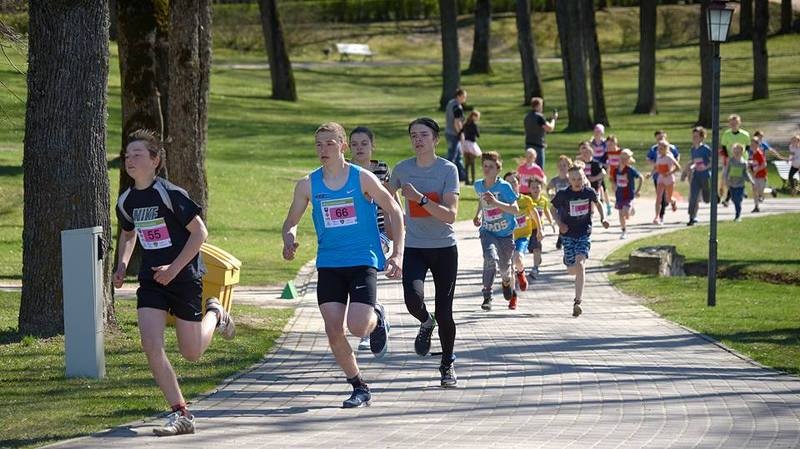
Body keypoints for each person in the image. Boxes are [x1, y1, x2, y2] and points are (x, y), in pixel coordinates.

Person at [114, 129, 235, 436]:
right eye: (127, 155)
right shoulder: (126, 201)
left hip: (184, 277)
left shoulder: (170, 194)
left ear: (155, 160)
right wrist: (122, 264)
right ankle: (181, 413)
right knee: (151, 345)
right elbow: (129, 234)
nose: (130, 160)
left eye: (137, 154)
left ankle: (216, 314)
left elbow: (200, 233)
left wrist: (174, 268)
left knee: (191, 352)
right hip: (152, 281)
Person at [282, 122, 405, 408]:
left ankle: (376, 318)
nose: (323, 150)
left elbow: (394, 210)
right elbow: (291, 222)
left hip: (363, 259)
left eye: (329, 143)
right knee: (333, 330)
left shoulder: (362, 178)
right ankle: (358, 386)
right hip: (329, 263)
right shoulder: (308, 184)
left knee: (358, 326)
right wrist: (289, 239)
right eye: (318, 145)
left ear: (342, 146)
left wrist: (397, 253)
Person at [388, 117, 460, 388]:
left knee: (445, 312)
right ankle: (425, 322)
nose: (418, 140)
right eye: (414, 135)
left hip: (444, 248)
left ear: (436, 140)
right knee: (412, 300)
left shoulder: (448, 169)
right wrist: (395, 218)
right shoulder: (402, 169)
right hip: (415, 246)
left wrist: (419, 199)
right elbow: (385, 197)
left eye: (424, 135)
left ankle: (447, 364)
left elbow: (451, 215)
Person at [349, 126, 396, 352]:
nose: (359, 148)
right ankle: (376, 312)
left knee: (364, 268)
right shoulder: (344, 171)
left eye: (364, 144)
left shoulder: (382, 169)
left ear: (372, 146)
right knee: (357, 276)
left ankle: (368, 327)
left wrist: (396, 231)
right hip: (350, 235)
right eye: (354, 144)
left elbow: (391, 202)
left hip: (379, 232)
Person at [550, 165, 610, 317]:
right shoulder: (563, 194)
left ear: (584, 178)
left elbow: (599, 203)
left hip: (584, 233)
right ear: (569, 180)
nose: (577, 182)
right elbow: (552, 210)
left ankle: (578, 302)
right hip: (568, 234)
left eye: (579, 178)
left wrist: (604, 218)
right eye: (573, 179)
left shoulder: (589, 192)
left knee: (581, 264)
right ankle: (568, 260)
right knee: (572, 269)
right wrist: (560, 224)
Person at [472, 152, 520, 311]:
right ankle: (487, 295)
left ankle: (506, 281)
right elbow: (482, 201)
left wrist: (496, 202)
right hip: (488, 231)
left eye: (490, 167)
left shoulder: (504, 187)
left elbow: (515, 209)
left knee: (505, 267)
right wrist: (478, 215)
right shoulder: (478, 185)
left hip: (505, 234)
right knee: (490, 258)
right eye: (485, 166)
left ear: (498, 170)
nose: (486, 169)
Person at [504, 171, 543, 293]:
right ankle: (513, 295)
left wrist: (540, 229)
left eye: (514, 182)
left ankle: (521, 273)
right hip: (507, 237)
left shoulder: (525, 200)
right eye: (508, 183)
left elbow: (534, 213)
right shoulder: (501, 201)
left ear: (519, 184)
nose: (511, 185)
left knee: (518, 258)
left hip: (522, 235)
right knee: (508, 267)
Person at [647, 130, 680, 220]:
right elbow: (656, 166)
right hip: (660, 178)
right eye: (659, 148)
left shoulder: (670, 155)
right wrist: (650, 174)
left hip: (669, 179)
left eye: (661, 148)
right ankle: (657, 216)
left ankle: (673, 201)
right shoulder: (657, 154)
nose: (659, 150)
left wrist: (669, 172)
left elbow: (678, 166)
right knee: (659, 198)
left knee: (668, 199)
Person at [526, 178, 556, 278]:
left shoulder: (543, 200)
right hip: (526, 229)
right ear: (529, 189)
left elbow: (546, 211)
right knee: (531, 248)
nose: (535, 189)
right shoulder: (527, 200)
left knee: (536, 247)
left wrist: (551, 222)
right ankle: (537, 258)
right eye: (533, 187)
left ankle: (535, 268)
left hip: (538, 229)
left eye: (537, 187)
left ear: (541, 188)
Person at [719, 114, 751, 206]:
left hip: (741, 161)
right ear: (729, 124)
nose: (734, 124)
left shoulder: (745, 134)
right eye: (732, 123)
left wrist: (746, 158)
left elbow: (748, 147)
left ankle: (728, 199)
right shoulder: (727, 134)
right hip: (730, 160)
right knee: (728, 178)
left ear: (739, 123)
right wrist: (727, 157)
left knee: (737, 178)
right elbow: (724, 147)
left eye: (736, 123)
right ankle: (737, 194)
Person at [685, 126, 713, 226]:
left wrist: (706, 167)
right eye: (693, 137)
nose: (694, 139)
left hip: (705, 176)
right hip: (696, 176)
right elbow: (694, 161)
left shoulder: (705, 149)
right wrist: (691, 167)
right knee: (693, 197)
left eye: (696, 137)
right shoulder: (693, 149)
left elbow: (714, 160)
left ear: (702, 138)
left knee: (707, 199)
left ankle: (713, 196)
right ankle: (692, 217)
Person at [613, 149, 642, 240]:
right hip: (619, 196)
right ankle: (623, 231)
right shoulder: (616, 170)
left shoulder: (630, 170)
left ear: (629, 160)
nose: (623, 160)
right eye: (622, 158)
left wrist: (637, 190)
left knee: (626, 213)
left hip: (629, 195)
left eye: (626, 158)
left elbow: (641, 177)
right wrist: (614, 187)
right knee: (621, 214)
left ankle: (631, 209)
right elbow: (613, 180)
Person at [523, 97, 558, 169]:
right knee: (539, 169)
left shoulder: (527, 116)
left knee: (529, 168)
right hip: (538, 146)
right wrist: (553, 119)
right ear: (538, 105)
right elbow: (550, 128)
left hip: (528, 145)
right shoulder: (539, 117)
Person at [547, 155, 573, 250]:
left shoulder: (570, 179)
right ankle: (561, 238)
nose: (562, 167)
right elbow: (548, 188)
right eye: (560, 165)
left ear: (569, 167)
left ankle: (562, 238)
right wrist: (551, 195)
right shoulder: (555, 180)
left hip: (570, 204)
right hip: (559, 205)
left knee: (569, 222)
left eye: (564, 165)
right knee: (561, 221)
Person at [723, 143, 753, 221]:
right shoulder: (730, 161)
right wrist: (726, 181)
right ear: (733, 152)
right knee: (733, 199)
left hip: (740, 184)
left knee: (738, 200)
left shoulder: (744, 163)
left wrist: (751, 181)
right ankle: (738, 210)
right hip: (731, 184)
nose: (737, 153)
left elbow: (746, 173)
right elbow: (726, 171)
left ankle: (738, 215)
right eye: (735, 152)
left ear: (742, 152)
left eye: (738, 152)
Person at [444, 88, 468, 182]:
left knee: (458, 156)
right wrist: (460, 133)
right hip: (454, 134)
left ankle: (462, 176)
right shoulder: (457, 106)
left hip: (449, 132)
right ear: (459, 96)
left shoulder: (450, 103)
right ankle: (447, 175)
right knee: (452, 156)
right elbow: (457, 122)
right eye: (464, 96)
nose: (465, 99)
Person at [589, 124, 612, 215]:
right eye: (596, 131)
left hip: (602, 165)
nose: (597, 133)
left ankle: (606, 204)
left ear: (602, 132)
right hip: (594, 165)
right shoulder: (591, 142)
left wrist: (607, 164)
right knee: (601, 185)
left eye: (599, 131)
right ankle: (606, 204)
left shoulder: (604, 143)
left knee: (602, 185)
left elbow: (607, 154)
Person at [459, 110, 482, 185]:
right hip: (472, 144)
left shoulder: (465, 124)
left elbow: (460, 132)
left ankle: (466, 180)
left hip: (465, 144)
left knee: (466, 164)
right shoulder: (474, 125)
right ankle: (473, 180)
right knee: (472, 163)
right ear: (474, 116)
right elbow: (478, 135)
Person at [749, 135, 768, 213]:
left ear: (757, 144)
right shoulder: (752, 153)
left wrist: (756, 171)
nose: (752, 146)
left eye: (754, 144)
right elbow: (754, 163)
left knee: (760, 191)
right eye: (751, 144)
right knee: (755, 190)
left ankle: (771, 190)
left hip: (761, 175)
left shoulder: (759, 153)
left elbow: (764, 164)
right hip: (755, 176)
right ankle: (756, 207)